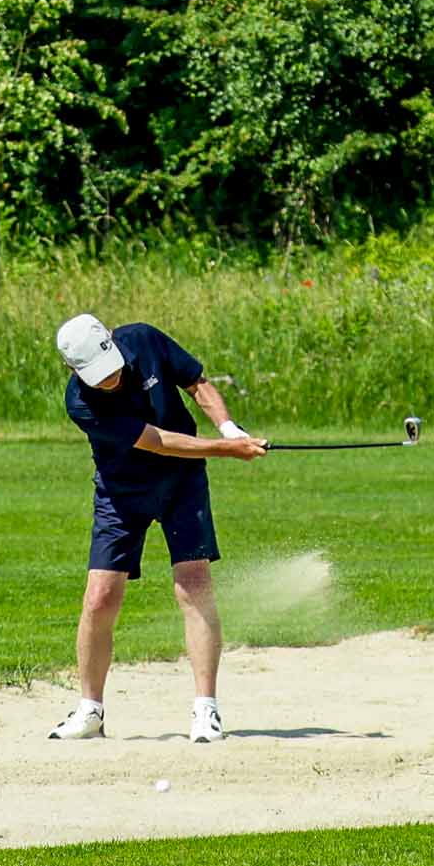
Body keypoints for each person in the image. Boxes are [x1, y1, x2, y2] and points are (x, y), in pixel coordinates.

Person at [49, 312, 266, 744]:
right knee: (99, 597)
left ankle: (207, 709)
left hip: (182, 483)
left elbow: (197, 382)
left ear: (111, 342)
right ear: (72, 370)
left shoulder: (144, 340)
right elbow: (159, 441)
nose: (107, 380)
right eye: (95, 375)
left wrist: (228, 426)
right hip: (121, 492)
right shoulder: (81, 402)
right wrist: (228, 450)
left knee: (193, 583)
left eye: (109, 368)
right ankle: (90, 709)